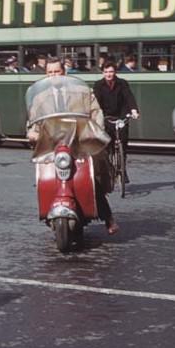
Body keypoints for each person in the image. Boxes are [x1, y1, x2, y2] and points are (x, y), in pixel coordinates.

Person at [29, 58, 119, 234]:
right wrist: (32, 133)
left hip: (80, 142)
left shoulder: (82, 91)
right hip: (52, 146)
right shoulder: (40, 98)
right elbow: (33, 123)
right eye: (50, 73)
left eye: (57, 72)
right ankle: (47, 207)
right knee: (43, 177)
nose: (54, 76)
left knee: (93, 178)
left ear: (65, 72)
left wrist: (93, 132)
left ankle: (108, 217)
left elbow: (96, 113)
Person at [93, 61, 140, 183]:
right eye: (106, 72)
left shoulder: (122, 83)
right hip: (107, 116)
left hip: (120, 116)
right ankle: (109, 169)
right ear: (103, 73)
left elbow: (129, 97)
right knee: (107, 145)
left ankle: (123, 170)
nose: (109, 74)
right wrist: (97, 115)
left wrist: (134, 110)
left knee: (123, 142)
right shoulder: (98, 85)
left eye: (111, 71)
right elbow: (96, 102)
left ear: (115, 72)